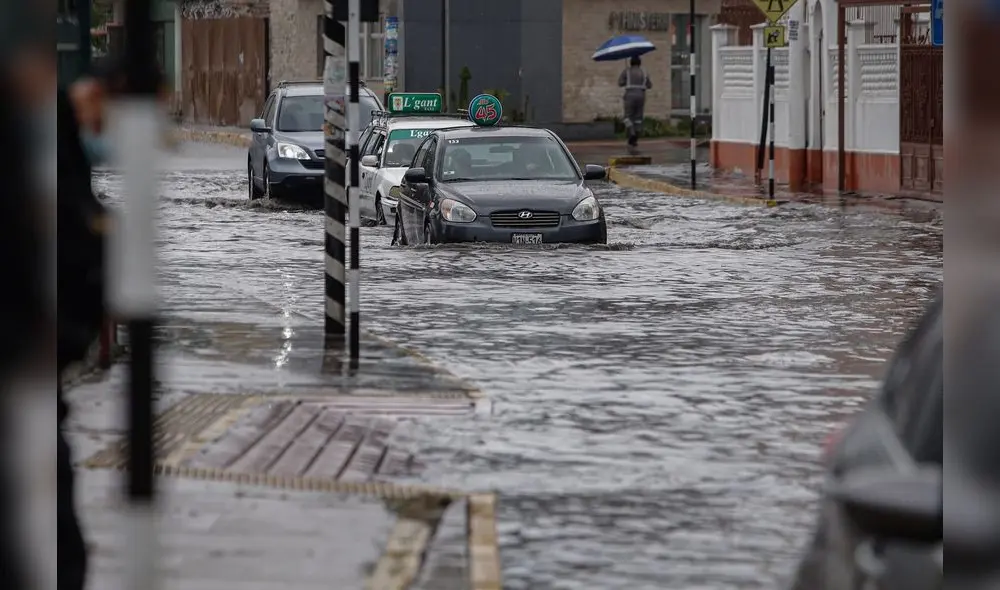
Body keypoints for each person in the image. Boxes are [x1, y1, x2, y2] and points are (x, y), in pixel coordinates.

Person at [618, 55, 652, 155]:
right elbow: (649, 85)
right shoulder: (644, 72)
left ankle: (632, 132)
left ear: (630, 62)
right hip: (641, 95)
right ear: (639, 63)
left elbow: (620, 83)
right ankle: (635, 138)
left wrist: (626, 81)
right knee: (638, 118)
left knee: (627, 117)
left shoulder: (626, 71)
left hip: (630, 95)